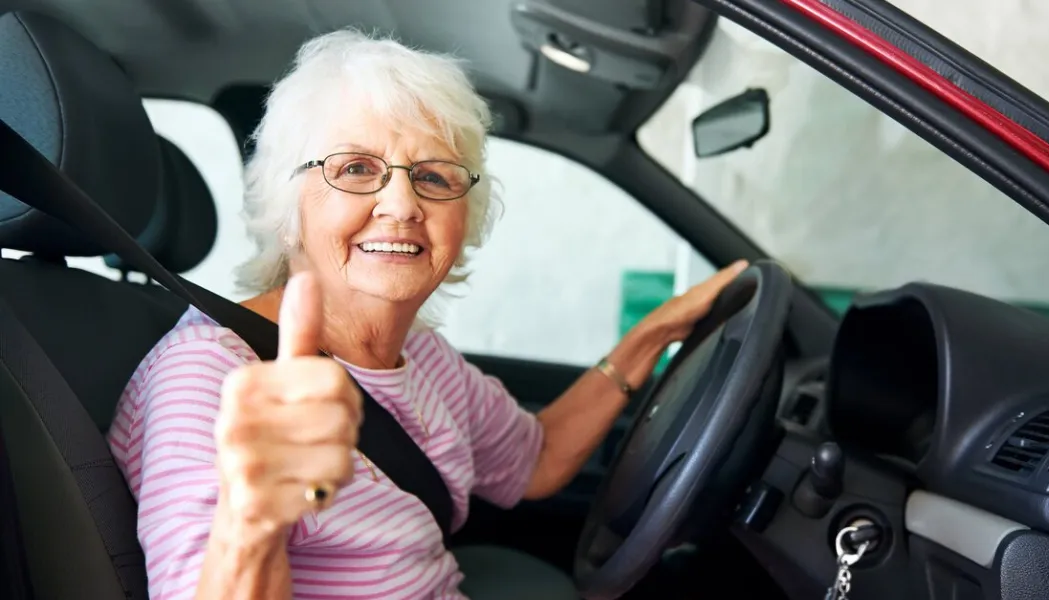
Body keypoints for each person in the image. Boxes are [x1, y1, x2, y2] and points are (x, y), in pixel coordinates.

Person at [106, 28, 748, 600]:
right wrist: (253, 522)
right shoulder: (208, 378)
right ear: (287, 205)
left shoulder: (426, 358)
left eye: (436, 178)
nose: (402, 203)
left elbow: (538, 458)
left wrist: (657, 330)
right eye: (355, 168)